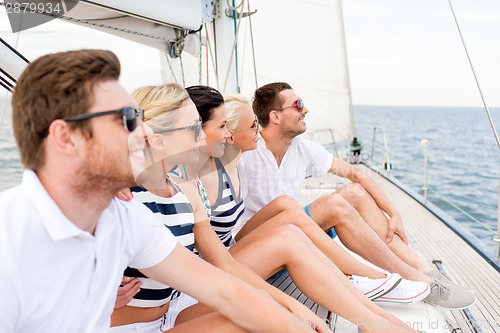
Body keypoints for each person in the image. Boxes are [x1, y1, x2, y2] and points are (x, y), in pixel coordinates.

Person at [0, 50, 328, 333]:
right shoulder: (10, 245)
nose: (144, 131)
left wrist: (296, 321)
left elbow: (225, 290)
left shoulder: (123, 218)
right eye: (127, 119)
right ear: (66, 138)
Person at [180, 85, 427, 333]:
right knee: (293, 231)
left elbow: (355, 173)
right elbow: (213, 259)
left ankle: (400, 277)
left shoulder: (235, 161)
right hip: (226, 260)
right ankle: (368, 282)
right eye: (251, 126)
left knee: (296, 206)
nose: (258, 131)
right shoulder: (221, 165)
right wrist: (285, 302)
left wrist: (393, 212)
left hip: (243, 245)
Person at [237, 82, 476, 310]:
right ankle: (415, 281)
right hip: (256, 243)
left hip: (292, 229)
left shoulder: (301, 149)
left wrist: (394, 213)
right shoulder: (247, 149)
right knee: (333, 205)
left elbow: (357, 175)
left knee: (355, 193)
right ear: (275, 116)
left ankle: (422, 269)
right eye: (298, 105)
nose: (306, 109)